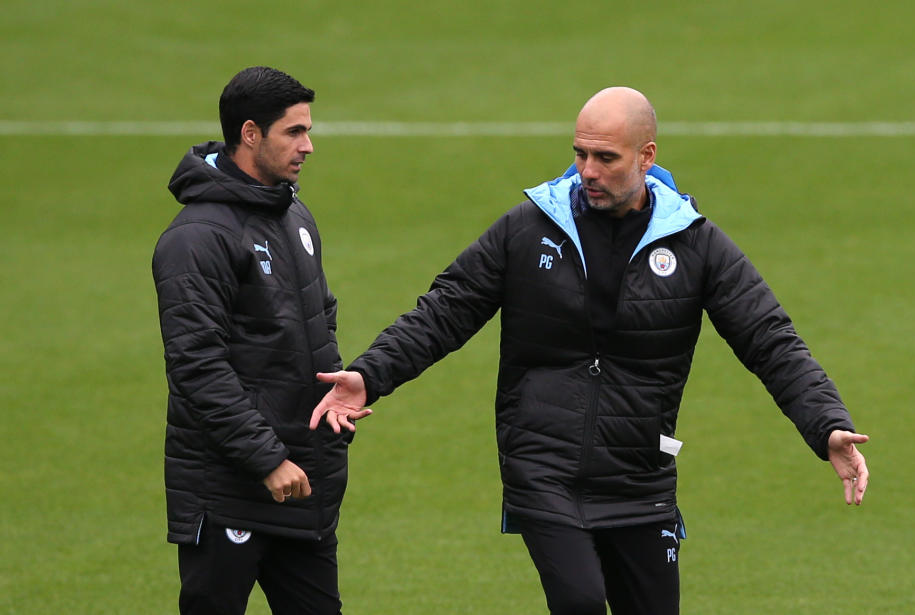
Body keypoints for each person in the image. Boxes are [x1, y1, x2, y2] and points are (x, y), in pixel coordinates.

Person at [309, 87, 870, 615]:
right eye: (580, 154)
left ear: (646, 156)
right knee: (579, 602)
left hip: (639, 472)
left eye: (606, 157)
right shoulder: (529, 229)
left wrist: (827, 425)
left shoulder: (696, 244)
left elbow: (769, 339)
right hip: (543, 464)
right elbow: (446, 309)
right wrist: (369, 374)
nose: (588, 172)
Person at [153, 66, 367, 615]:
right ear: (250, 134)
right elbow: (198, 367)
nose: (309, 146)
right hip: (233, 490)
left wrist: (330, 403)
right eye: (294, 132)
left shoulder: (293, 213)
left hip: (302, 484)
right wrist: (266, 458)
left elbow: (320, 318)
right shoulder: (196, 239)